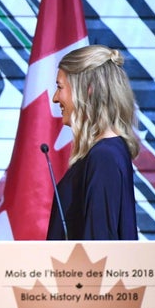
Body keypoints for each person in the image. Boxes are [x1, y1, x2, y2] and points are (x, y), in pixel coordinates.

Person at [47, 44, 140, 241]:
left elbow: (98, 254)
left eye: (60, 87)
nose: (55, 98)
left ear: (87, 90)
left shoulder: (104, 157)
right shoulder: (109, 151)